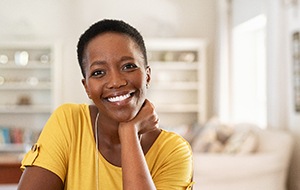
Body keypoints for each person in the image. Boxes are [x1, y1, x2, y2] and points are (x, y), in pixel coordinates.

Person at [17, 19, 194, 190]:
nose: (115, 82)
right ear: (86, 86)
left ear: (147, 75)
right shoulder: (69, 122)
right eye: (99, 72)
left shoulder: (174, 151)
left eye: (128, 66)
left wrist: (128, 132)